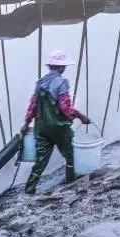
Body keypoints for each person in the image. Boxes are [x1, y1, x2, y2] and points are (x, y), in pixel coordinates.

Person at [20, 50, 91, 193]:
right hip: (59, 128)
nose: (65, 68)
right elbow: (65, 107)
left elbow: (33, 106)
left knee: (40, 161)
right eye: (64, 65)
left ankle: (29, 188)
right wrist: (81, 116)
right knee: (70, 156)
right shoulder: (62, 83)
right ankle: (70, 181)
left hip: (41, 129)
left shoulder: (40, 83)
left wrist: (26, 124)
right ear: (61, 67)